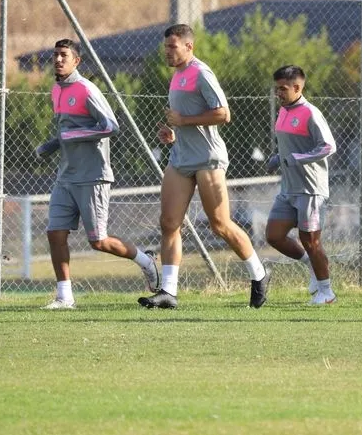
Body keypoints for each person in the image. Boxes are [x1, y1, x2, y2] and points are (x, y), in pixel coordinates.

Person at [138, 24, 270, 309]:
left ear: (189, 47)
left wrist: (183, 122)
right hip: (181, 157)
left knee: (220, 225)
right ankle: (168, 292)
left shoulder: (201, 73)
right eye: (165, 47)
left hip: (208, 158)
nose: (167, 52)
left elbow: (223, 114)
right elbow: (185, 117)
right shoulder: (176, 76)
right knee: (169, 223)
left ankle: (259, 274)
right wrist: (175, 134)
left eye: (173, 47)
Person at [35, 39, 160, 309]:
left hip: (93, 176)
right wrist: (52, 144)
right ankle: (64, 297)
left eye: (64, 55)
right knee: (55, 233)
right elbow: (66, 132)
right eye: (55, 55)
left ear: (76, 61)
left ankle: (146, 260)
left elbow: (111, 127)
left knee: (98, 242)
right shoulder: (56, 90)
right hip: (65, 177)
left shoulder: (86, 89)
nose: (58, 60)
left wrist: (74, 135)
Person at [264, 65, 338, 305]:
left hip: (310, 189)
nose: (279, 93)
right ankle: (313, 267)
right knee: (274, 235)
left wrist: (295, 159)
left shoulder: (310, 113)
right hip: (288, 189)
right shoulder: (284, 111)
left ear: (298, 87)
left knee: (312, 241)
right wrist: (278, 157)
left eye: (283, 89)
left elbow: (328, 146)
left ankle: (326, 293)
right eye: (277, 89)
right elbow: (290, 144)